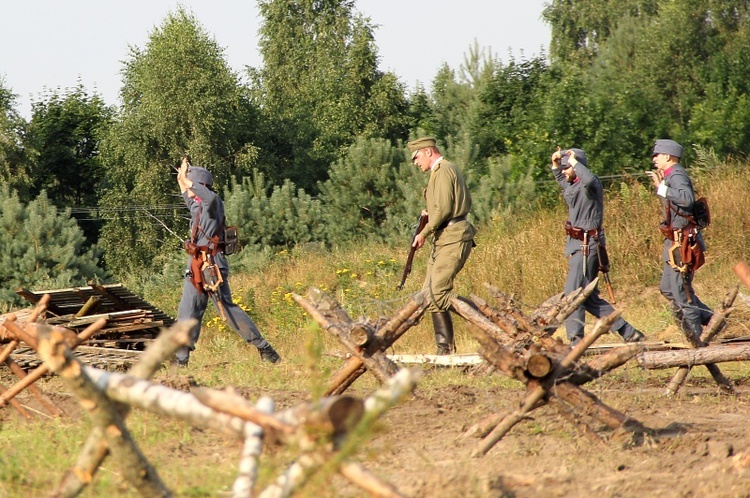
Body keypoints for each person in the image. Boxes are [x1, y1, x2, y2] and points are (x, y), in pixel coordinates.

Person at [174, 157, 280, 365]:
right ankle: (181, 359)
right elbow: (186, 192)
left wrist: (188, 181)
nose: (189, 189)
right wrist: (181, 176)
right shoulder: (197, 207)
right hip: (196, 266)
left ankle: (265, 349)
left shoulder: (213, 204)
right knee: (187, 312)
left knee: (229, 310)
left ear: (201, 186)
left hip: (213, 266)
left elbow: (209, 198)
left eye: (192, 185)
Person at [550, 147, 645, 345]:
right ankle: (628, 332)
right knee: (588, 297)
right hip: (578, 245)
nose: (565, 171)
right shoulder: (574, 184)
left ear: (578, 167)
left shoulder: (590, 186)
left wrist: (574, 162)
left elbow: (590, 179)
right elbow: (564, 183)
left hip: (586, 246)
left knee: (573, 295)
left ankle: (576, 342)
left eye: (569, 167)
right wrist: (557, 166)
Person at [408, 137, 477, 355]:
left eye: (416, 157)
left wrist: (424, 232)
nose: (416, 163)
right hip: (444, 237)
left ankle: (487, 319)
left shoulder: (445, 169)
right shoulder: (438, 173)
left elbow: (445, 209)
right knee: (429, 294)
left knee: (438, 292)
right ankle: (445, 350)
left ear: (428, 152)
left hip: (454, 235)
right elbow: (440, 207)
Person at [646, 139, 712, 340]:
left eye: (657, 155)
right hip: (675, 240)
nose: (654, 159)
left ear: (668, 156)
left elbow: (686, 198)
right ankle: (713, 320)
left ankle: (696, 338)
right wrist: (662, 186)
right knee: (668, 288)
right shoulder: (670, 176)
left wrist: (662, 188)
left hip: (683, 241)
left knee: (682, 291)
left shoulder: (677, 174)